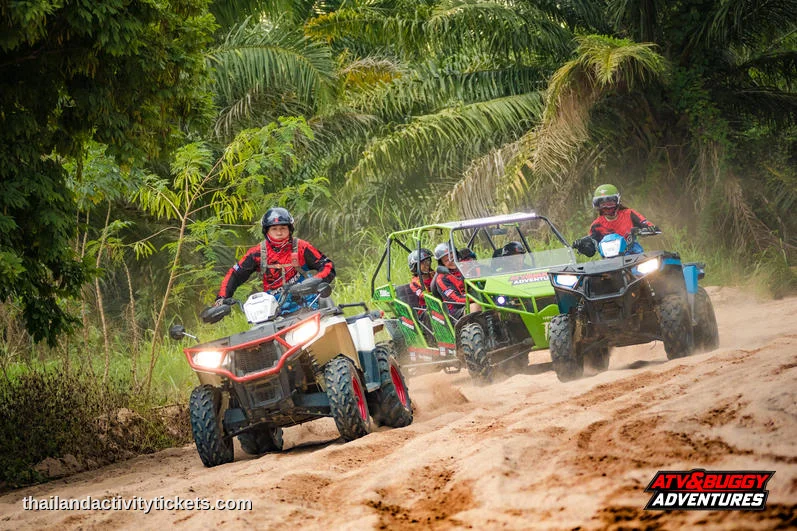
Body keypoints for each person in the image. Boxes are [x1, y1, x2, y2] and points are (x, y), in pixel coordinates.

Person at [215, 207, 335, 313]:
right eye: (274, 229)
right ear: (266, 231)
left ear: (290, 229)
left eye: (283, 228)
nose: (279, 232)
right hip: (273, 312)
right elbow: (235, 275)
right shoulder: (257, 253)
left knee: (330, 321)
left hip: (309, 304)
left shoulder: (301, 247)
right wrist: (222, 299)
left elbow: (327, 265)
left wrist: (315, 281)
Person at [573, 184, 657, 257]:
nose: (607, 207)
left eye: (610, 203)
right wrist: (583, 245)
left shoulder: (629, 214)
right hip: (609, 262)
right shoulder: (596, 225)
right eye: (603, 204)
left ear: (617, 202)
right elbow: (591, 250)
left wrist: (643, 230)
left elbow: (651, 227)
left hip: (634, 256)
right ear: (598, 205)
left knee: (651, 273)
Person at [431, 242, 480, 319]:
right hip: (455, 310)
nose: (451, 261)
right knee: (476, 307)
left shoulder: (464, 268)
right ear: (442, 264)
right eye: (447, 260)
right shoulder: (442, 278)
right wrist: (477, 298)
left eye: (453, 257)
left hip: (472, 300)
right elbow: (455, 300)